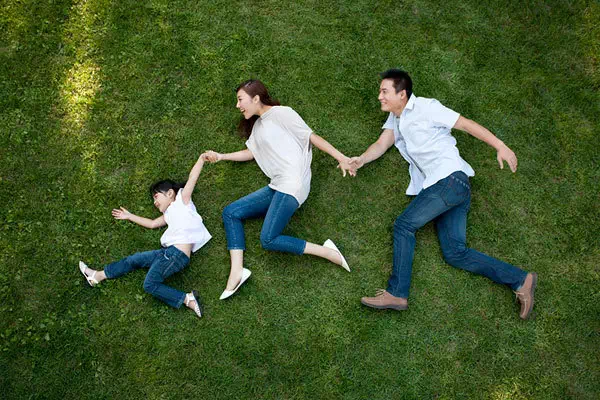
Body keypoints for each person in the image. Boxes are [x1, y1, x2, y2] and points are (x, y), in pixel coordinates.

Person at [352, 69, 537, 319]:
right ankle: (520, 279)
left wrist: (500, 146)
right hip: (451, 188)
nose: (379, 97)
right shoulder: (396, 119)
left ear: (402, 94)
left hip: (448, 180)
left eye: (384, 91)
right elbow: (382, 144)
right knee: (455, 253)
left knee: (404, 226)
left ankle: (396, 293)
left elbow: (465, 124)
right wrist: (361, 159)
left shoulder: (426, 108)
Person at [203, 79, 352, 300]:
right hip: (278, 185)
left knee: (268, 239)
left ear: (256, 98)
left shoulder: (282, 113)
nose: (237, 105)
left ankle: (328, 252)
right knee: (231, 212)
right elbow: (250, 153)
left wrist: (341, 157)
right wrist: (221, 156)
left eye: (240, 100)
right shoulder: (258, 126)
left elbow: (311, 137)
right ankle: (237, 270)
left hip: (293, 184)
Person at [78, 154, 212, 318]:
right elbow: (152, 223)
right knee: (134, 260)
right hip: (166, 253)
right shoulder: (168, 215)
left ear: (170, 193)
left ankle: (187, 299)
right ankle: (98, 276)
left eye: (156, 197)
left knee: (150, 284)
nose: (155, 203)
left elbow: (192, 178)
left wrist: (200, 160)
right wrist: (129, 216)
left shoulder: (182, 202)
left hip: (176, 255)